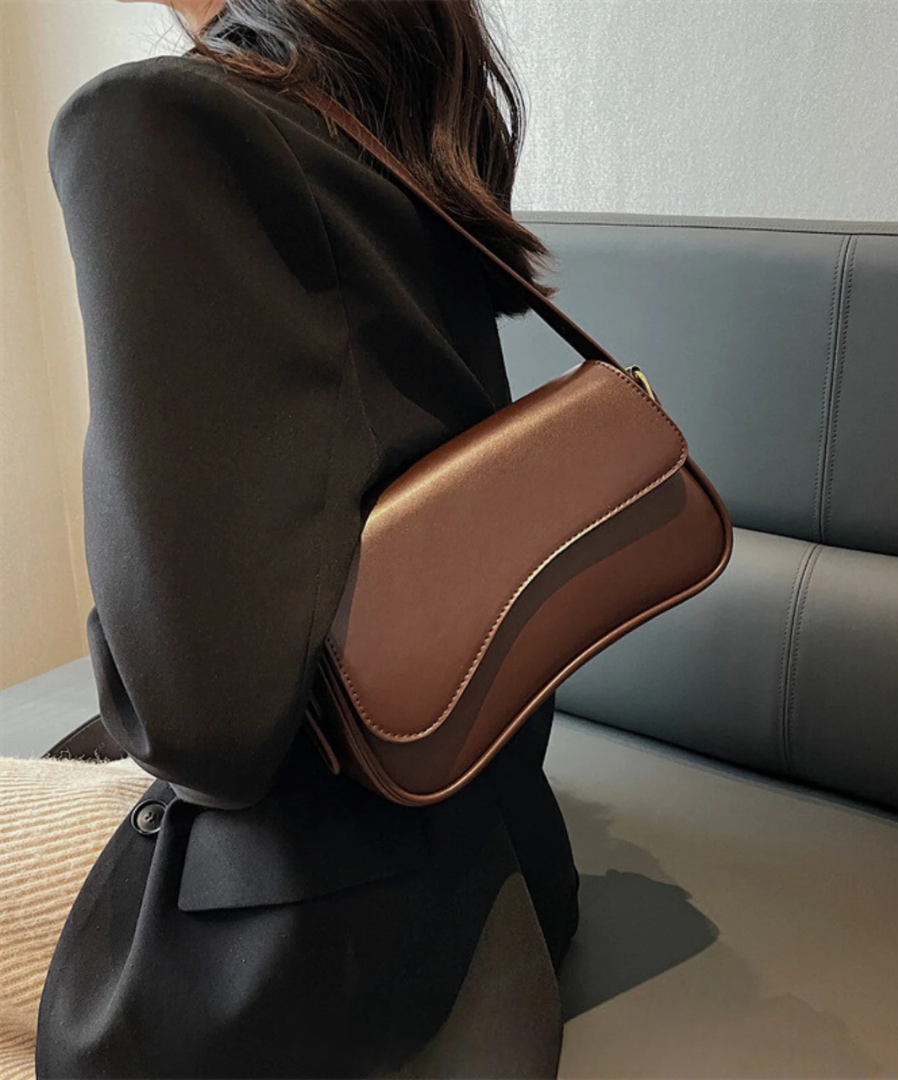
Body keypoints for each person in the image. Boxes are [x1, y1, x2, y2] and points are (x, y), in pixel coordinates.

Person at [33, 1, 580, 1075]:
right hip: (506, 858)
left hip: (289, 954)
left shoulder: (154, 124)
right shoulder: (400, 103)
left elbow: (198, 725)